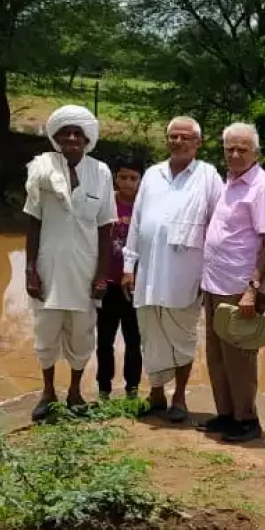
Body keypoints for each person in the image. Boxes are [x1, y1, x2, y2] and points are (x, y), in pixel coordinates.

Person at [122, 117, 223, 422]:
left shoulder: (208, 176)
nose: (178, 142)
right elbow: (137, 222)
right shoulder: (153, 174)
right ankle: (156, 394)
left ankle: (179, 397)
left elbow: (218, 227)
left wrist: (210, 273)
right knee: (150, 335)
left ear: (198, 143)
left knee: (183, 337)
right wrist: (128, 266)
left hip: (186, 275)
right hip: (148, 272)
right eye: (173, 136)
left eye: (185, 137)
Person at [23, 105, 116, 421]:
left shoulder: (101, 172)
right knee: (45, 332)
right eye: (66, 133)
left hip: (85, 270)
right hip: (48, 268)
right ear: (57, 137)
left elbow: (106, 227)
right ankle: (48, 393)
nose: (73, 138)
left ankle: (75, 392)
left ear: (88, 139)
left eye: (79, 133)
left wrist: (101, 275)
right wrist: (30, 270)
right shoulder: (42, 168)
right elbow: (34, 221)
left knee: (82, 333)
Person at [199, 123, 265, 443]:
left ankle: (246, 419)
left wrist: (253, 288)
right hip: (214, 282)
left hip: (239, 287)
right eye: (229, 149)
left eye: (241, 149)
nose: (234, 154)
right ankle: (226, 413)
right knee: (217, 354)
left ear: (255, 153)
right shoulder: (229, 182)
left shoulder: (263, 188)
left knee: (239, 358)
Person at [96, 152, 145, 400]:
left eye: (133, 178)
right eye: (123, 177)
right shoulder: (105, 203)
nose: (127, 183)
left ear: (140, 180)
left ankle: (132, 389)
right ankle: (104, 389)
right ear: (115, 178)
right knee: (104, 340)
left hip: (134, 286)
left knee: (133, 340)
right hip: (107, 284)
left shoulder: (145, 207)